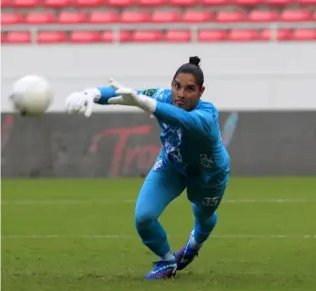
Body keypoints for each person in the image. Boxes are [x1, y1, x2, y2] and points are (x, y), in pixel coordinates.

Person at [65, 56, 231, 279]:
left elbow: (181, 118)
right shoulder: (163, 97)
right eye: (177, 86)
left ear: (201, 92)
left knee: (203, 216)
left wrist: (146, 104)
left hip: (209, 175)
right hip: (172, 164)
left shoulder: (207, 115)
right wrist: (91, 94)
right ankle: (167, 261)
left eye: (189, 89)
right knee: (143, 217)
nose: (181, 94)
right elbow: (126, 95)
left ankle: (195, 243)